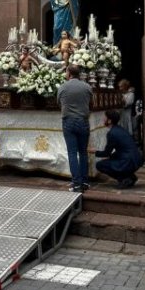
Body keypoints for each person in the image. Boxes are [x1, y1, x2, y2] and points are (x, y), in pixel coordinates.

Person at [57, 64, 93, 193]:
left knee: (72, 153)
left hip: (69, 121)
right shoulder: (87, 87)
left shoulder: (63, 87)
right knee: (83, 152)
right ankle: (84, 181)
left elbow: (59, 103)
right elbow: (91, 103)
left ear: (69, 73)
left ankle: (76, 183)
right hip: (83, 121)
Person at [93, 110, 143, 188]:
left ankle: (124, 179)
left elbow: (107, 153)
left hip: (129, 161)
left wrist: (94, 152)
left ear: (109, 121)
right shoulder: (120, 129)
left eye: (105, 118)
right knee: (112, 159)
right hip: (136, 159)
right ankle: (129, 176)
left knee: (100, 165)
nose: (103, 120)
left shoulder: (112, 133)